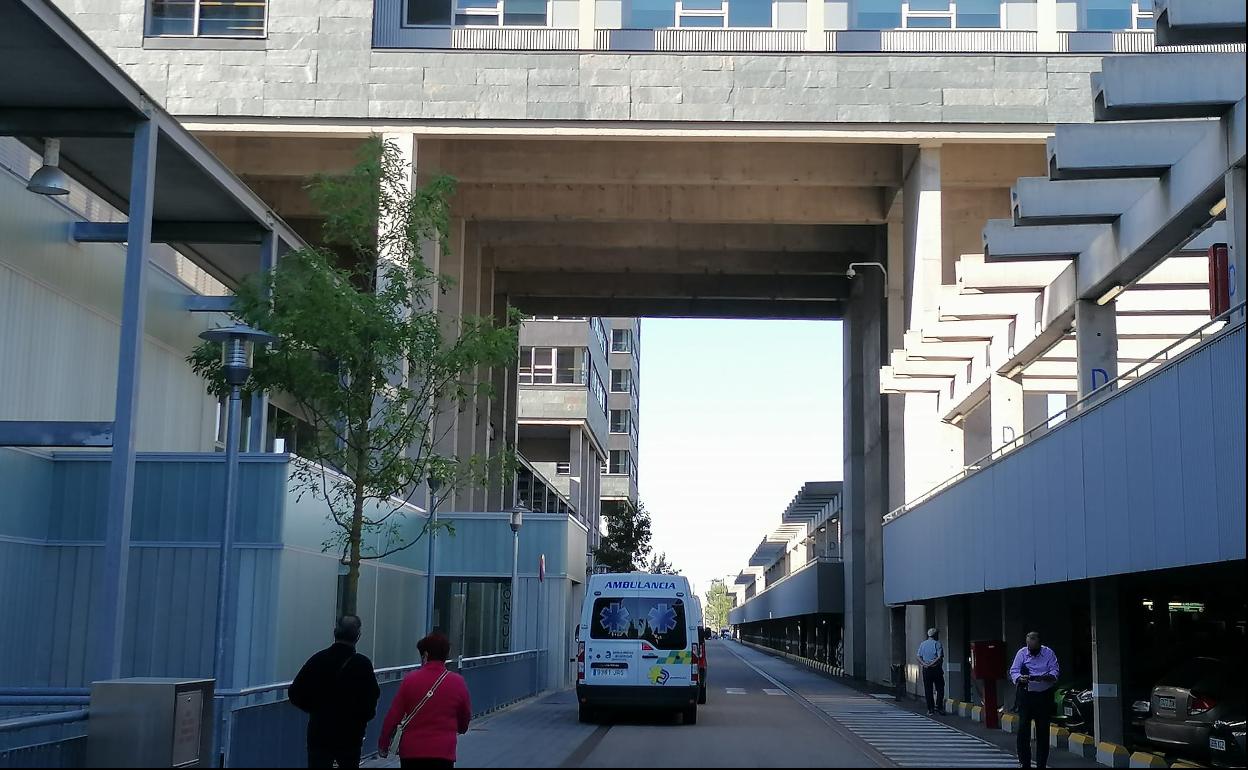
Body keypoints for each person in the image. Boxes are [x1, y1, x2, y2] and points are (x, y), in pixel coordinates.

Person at [289, 615, 382, 769]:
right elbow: (371, 698)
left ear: (335, 632)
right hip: (350, 734)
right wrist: (360, 718)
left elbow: (295, 693)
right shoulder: (362, 665)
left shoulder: (317, 660)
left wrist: (315, 709)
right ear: (358, 636)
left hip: (320, 732)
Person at [379, 632, 472, 769]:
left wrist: (384, 743)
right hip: (443, 751)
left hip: (412, 752)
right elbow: (465, 714)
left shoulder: (410, 680)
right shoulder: (457, 682)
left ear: (426, 655)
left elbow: (394, 715)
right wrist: (461, 728)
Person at [1010, 631, 1060, 769]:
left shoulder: (1049, 653)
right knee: (1023, 730)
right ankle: (1024, 762)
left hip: (1043, 695)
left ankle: (1041, 764)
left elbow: (1055, 672)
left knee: (1043, 731)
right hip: (1026, 695)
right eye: (1028, 645)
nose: (1030, 649)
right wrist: (1020, 678)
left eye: (1033, 645)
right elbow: (1014, 671)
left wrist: (1043, 677)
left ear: (1039, 643)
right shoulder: (1022, 653)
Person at [916, 627, 945, 715]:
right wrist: (931, 663)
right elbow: (939, 657)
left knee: (928, 689)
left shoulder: (923, 644)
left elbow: (918, 656)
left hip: (926, 670)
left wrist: (924, 664)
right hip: (936, 669)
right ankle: (939, 707)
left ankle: (930, 709)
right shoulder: (937, 644)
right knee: (940, 688)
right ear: (935, 635)